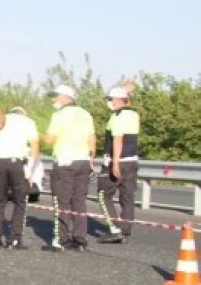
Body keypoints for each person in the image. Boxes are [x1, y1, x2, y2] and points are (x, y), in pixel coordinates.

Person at [42, 85, 97, 252]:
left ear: (66, 97)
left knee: (62, 200)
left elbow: (49, 140)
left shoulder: (59, 115)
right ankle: (80, 239)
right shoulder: (85, 114)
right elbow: (92, 138)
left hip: (65, 162)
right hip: (83, 161)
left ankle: (61, 240)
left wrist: (37, 135)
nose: (53, 100)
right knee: (79, 201)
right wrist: (90, 159)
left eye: (55, 96)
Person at [0, 106, 39, 250]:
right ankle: (15, 239)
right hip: (16, 164)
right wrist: (30, 172)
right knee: (19, 202)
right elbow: (34, 147)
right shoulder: (28, 122)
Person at [97, 85, 140, 243]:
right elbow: (127, 103)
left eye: (111, 99)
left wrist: (114, 163)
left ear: (118, 100)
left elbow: (118, 139)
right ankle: (126, 230)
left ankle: (115, 229)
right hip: (132, 161)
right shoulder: (133, 114)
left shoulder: (117, 116)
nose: (109, 102)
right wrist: (125, 91)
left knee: (103, 194)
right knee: (127, 196)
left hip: (118, 160)